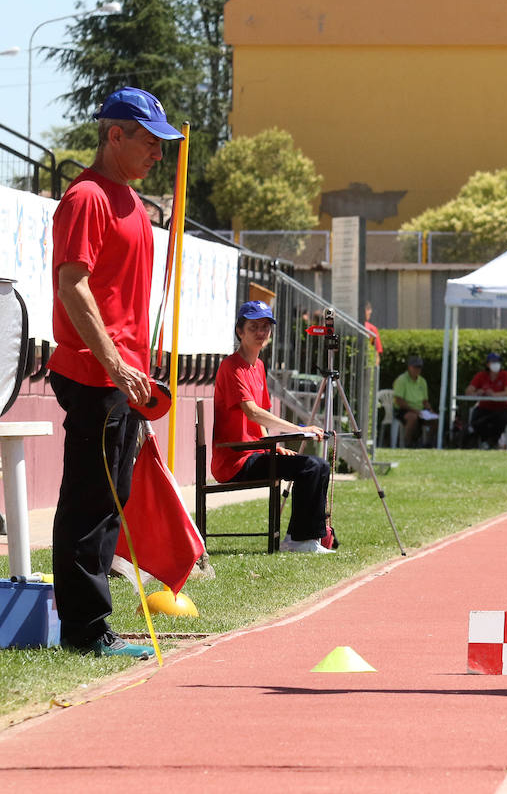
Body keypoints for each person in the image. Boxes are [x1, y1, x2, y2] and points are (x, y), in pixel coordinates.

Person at [48, 87, 184, 657]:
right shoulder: (86, 197)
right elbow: (72, 284)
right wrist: (113, 363)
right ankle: (85, 631)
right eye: (150, 142)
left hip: (126, 375)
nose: (159, 154)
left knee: (112, 495)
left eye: (163, 145)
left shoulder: (131, 201)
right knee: (89, 499)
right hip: (95, 372)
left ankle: (92, 625)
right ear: (115, 135)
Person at [212, 301, 332, 553]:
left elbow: (260, 421)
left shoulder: (259, 366)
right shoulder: (231, 366)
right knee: (310, 466)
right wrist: (298, 429)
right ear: (240, 331)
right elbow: (253, 412)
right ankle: (299, 540)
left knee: (319, 465)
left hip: (256, 453)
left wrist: (273, 449)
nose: (261, 332)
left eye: (266, 327)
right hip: (235, 460)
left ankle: (308, 539)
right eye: (254, 326)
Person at [466, 351, 507, 449]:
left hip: (501, 408)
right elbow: (468, 391)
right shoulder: (481, 375)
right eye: (493, 362)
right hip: (484, 407)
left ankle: (493, 441)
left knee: (501, 419)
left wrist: (494, 395)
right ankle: (484, 441)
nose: (496, 364)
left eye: (498, 362)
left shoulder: (506, 375)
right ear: (488, 364)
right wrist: (477, 393)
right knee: (476, 420)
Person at [393, 355, 437, 448]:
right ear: (409, 367)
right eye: (415, 367)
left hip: (420, 411)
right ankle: (407, 444)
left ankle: (428, 444)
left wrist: (430, 410)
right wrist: (414, 410)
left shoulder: (422, 381)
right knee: (412, 417)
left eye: (419, 367)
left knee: (434, 420)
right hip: (403, 410)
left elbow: (425, 401)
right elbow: (398, 401)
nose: (417, 369)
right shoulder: (401, 380)